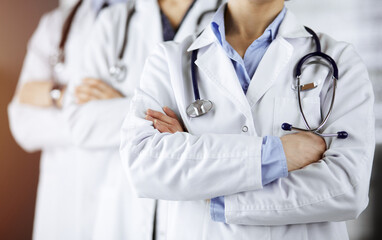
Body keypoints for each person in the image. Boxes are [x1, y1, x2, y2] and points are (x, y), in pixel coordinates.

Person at [120, 0, 375, 239]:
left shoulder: (340, 61)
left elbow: (347, 188)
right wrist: (279, 154)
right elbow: (144, 165)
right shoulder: (169, 60)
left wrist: (218, 198)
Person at [63, 0, 223, 239]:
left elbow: (230, 124)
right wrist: (179, 115)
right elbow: (81, 124)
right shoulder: (115, 21)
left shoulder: (227, 18)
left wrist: (126, 106)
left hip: (196, 208)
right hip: (124, 208)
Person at [7, 0, 124, 239]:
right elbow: (23, 122)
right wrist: (67, 94)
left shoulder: (150, 20)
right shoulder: (56, 24)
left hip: (122, 191)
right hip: (62, 199)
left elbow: (152, 117)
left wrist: (56, 102)